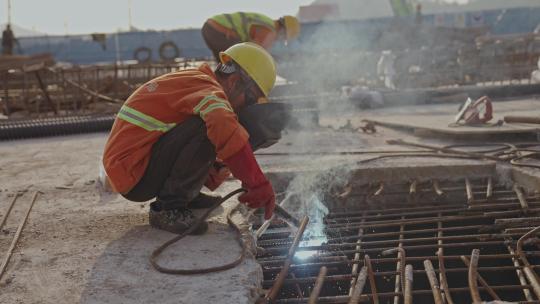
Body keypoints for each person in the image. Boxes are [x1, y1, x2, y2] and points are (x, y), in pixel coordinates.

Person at [102, 42, 277, 235]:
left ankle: (186, 197)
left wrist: (220, 165)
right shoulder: (206, 90)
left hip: (138, 165)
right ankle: (169, 208)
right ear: (234, 82)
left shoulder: (199, 84)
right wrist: (258, 183)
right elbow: (220, 124)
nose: (246, 107)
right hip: (134, 174)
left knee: (215, 124)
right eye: (250, 99)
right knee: (207, 124)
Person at [202, 12, 300, 60]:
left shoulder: (267, 22)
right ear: (283, 30)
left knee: (224, 68)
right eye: (283, 37)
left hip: (211, 28)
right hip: (219, 32)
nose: (279, 40)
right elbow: (255, 52)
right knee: (237, 64)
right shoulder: (269, 31)